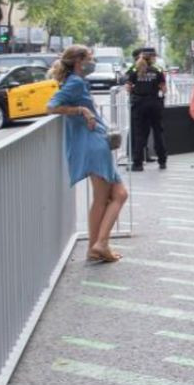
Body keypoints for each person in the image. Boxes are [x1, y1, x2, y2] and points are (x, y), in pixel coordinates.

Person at [47, 45, 129, 263]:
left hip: (92, 142)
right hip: (93, 143)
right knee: (115, 196)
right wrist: (81, 110)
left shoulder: (75, 81)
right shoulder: (75, 82)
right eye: (90, 58)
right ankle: (100, 244)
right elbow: (51, 106)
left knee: (104, 198)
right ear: (78, 61)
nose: (93, 62)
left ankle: (95, 248)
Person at [124, 47, 166, 171]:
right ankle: (162, 161)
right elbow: (163, 88)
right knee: (158, 132)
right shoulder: (158, 69)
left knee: (139, 133)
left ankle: (138, 163)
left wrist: (135, 93)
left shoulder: (134, 69)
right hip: (154, 103)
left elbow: (128, 86)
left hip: (139, 104)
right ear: (152, 57)